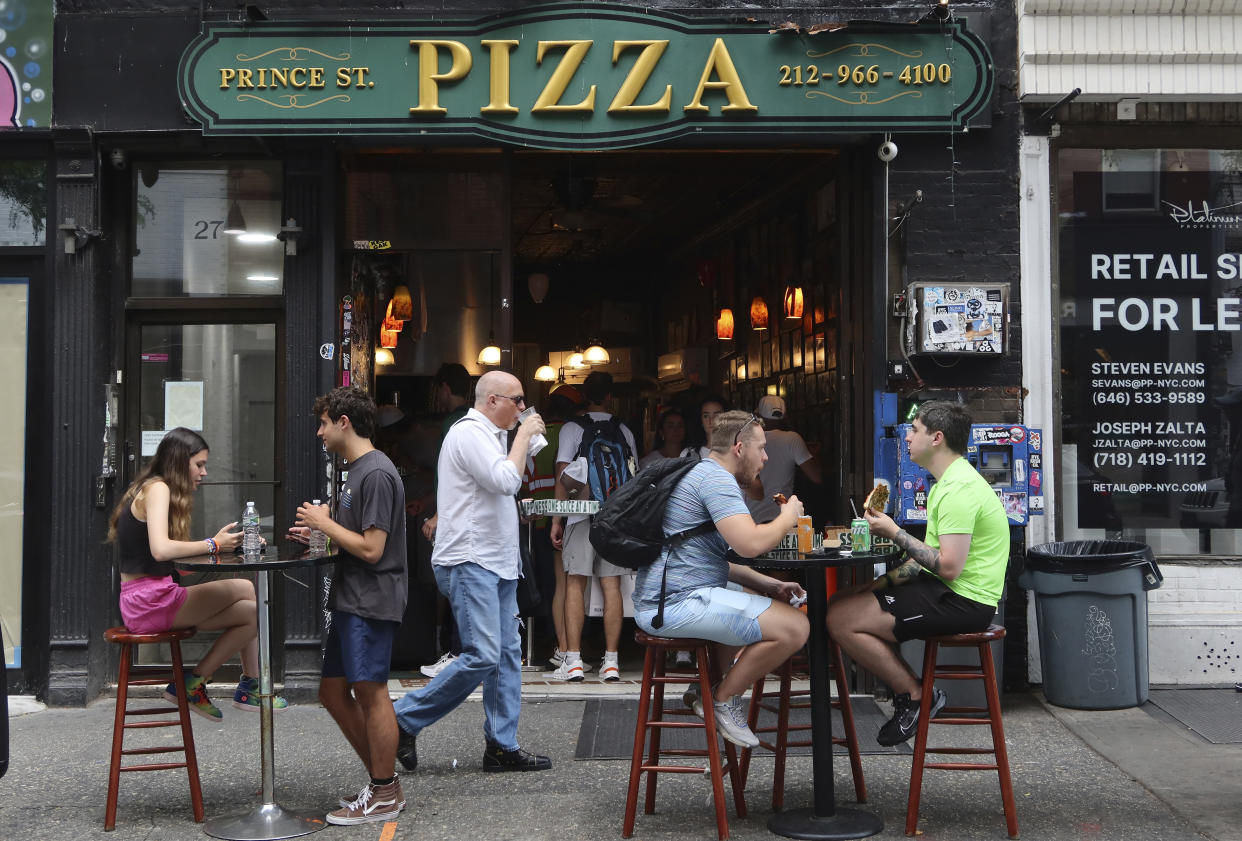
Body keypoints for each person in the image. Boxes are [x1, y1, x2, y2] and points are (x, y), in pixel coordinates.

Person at [393, 370, 553, 774]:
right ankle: (403, 717)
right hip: (469, 559)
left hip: (494, 560)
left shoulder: (493, 436)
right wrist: (521, 438)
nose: (522, 407)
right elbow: (504, 480)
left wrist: (520, 440)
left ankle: (502, 745)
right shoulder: (468, 432)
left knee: (505, 655)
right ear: (492, 400)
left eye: (522, 400)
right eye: (516, 399)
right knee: (483, 654)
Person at [827, 402, 1008, 746]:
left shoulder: (958, 490)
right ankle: (913, 692)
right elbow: (923, 560)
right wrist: (874, 586)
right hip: (944, 589)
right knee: (842, 600)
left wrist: (894, 532)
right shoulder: (946, 483)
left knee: (840, 618)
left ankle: (914, 696)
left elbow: (950, 567)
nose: (907, 437)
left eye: (914, 430)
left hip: (964, 601)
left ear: (937, 438)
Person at [633, 410, 809, 747]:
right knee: (796, 627)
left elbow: (712, 561)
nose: (766, 457)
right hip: (674, 604)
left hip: (669, 597)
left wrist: (770, 585)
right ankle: (722, 699)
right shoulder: (716, 480)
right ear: (740, 448)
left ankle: (704, 686)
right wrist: (787, 518)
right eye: (762, 448)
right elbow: (750, 543)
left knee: (750, 597)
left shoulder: (701, 473)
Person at [107, 427, 288, 721]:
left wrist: (226, 548)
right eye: (199, 464)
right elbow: (161, 550)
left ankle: (237, 685)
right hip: (149, 603)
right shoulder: (158, 489)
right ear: (180, 462)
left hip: (151, 599)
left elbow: (173, 565)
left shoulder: (153, 488)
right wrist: (213, 544)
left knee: (253, 612)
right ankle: (200, 684)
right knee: (245, 588)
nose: (203, 472)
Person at [291, 387, 409, 825]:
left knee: (371, 691)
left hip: (370, 598)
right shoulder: (357, 471)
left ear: (344, 422)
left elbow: (373, 549)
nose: (319, 432)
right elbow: (354, 537)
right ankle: (384, 784)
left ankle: (383, 793)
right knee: (332, 691)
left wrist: (324, 524)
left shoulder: (375, 473)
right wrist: (321, 534)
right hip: (352, 597)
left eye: (323, 423)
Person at [549, 371, 638, 682]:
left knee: (576, 584)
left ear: (584, 396)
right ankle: (611, 661)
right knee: (611, 587)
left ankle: (573, 660)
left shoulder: (572, 429)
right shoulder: (624, 431)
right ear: (611, 396)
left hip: (580, 515)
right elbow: (633, 479)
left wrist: (558, 519)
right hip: (614, 519)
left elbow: (563, 475)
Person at [522, 384, 585, 671]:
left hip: (541, 519)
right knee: (571, 584)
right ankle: (567, 647)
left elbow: (525, 478)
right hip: (572, 516)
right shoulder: (577, 432)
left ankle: (559, 644)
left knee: (552, 586)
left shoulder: (537, 434)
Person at [419, 362, 472, 678]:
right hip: (457, 514)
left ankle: (457, 651)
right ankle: (458, 650)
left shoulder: (455, 423)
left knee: (455, 582)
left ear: (444, 388)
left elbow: (456, 475)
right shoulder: (469, 421)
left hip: (456, 518)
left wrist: (439, 513)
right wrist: (429, 502)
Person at [744, 395, 822, 523]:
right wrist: (815, 453)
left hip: (751, 521)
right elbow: (816, 476)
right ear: (786, 416)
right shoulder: (792, 439)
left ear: (758, 415)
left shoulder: (747, 439)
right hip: (781, 520)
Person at [696, 394, 729, 459]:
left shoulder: (736, 452)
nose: (711, 420)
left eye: (717, 415)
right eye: (706, 416)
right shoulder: (689, 454)